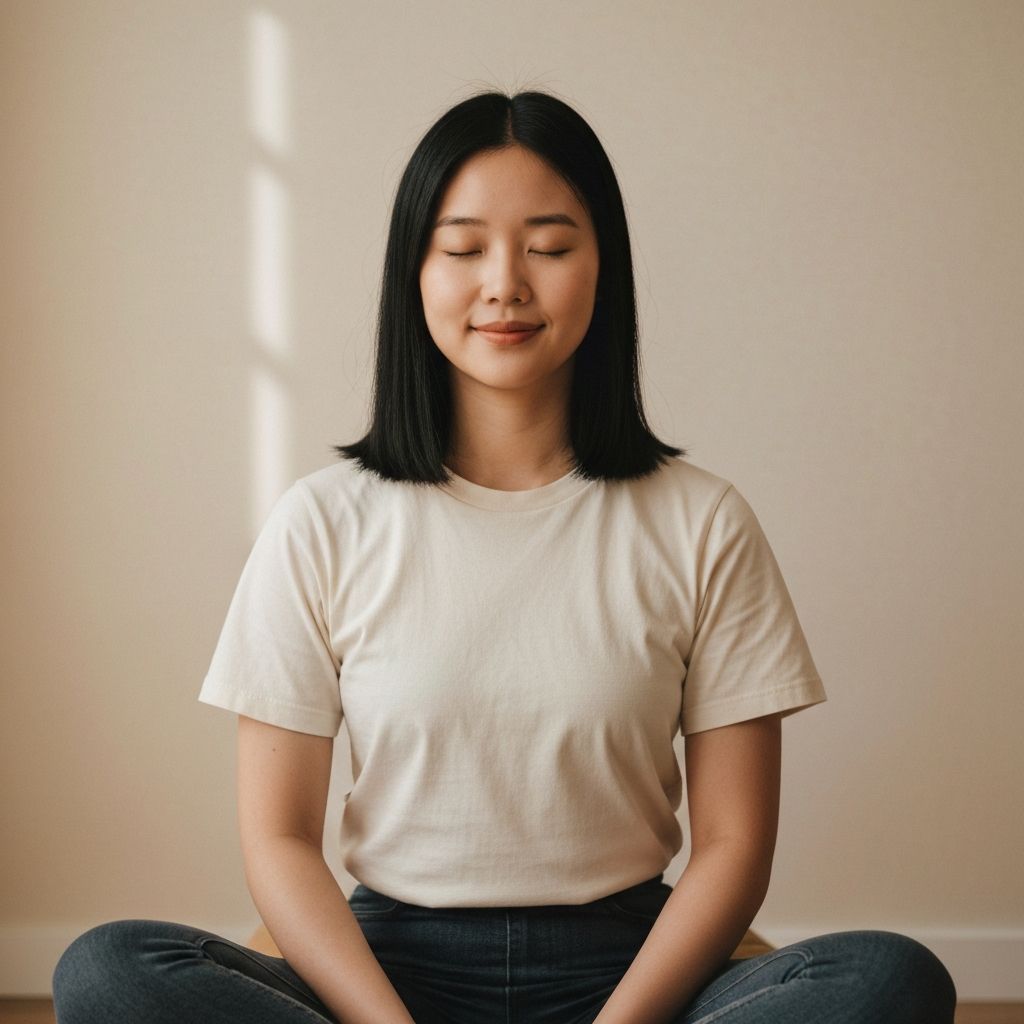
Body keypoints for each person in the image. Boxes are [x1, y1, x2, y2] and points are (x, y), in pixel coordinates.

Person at [52, 90, 957, 1024]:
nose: (506, 284)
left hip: (630, 974)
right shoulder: (322, 521)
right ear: (416, 271)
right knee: (108, 973)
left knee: (889, 979)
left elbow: (732, 847)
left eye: (551, 247)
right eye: (463, 247)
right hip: (390, 975)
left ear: (604, 269)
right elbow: (279, 840)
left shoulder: (703, 522)